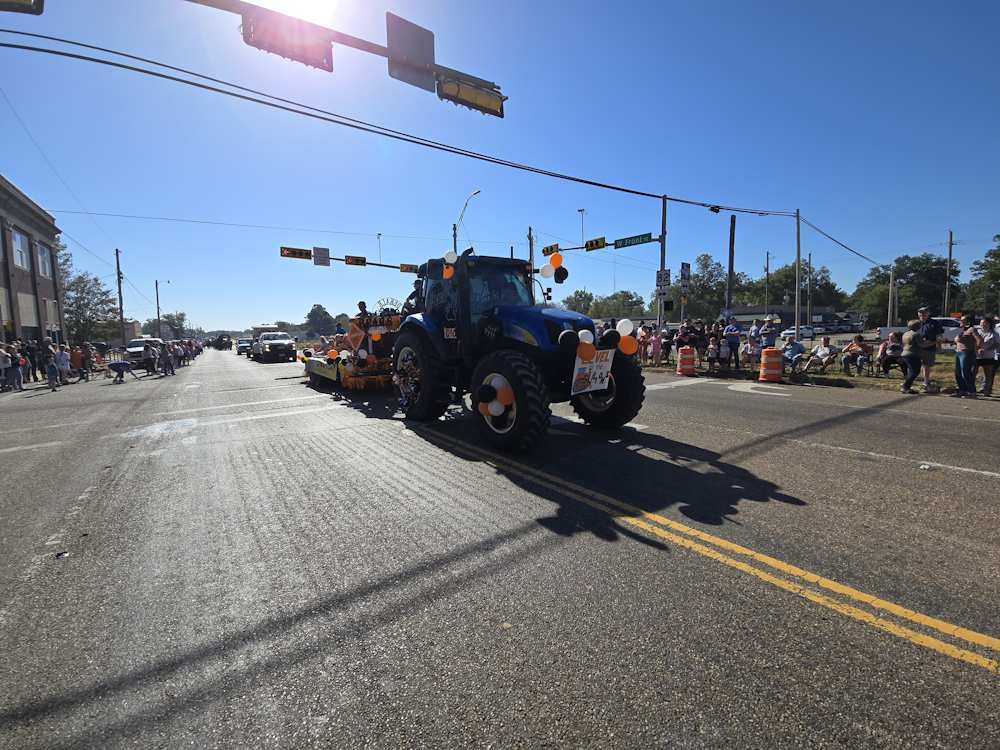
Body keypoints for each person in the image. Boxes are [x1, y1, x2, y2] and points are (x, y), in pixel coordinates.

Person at [952, 314, 983, 398]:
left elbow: (979, 339)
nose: (960, 321)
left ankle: (972, 392)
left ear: (968, 322)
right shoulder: (963, 331)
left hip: (967, 353)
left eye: (962, 320)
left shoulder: (972, 329)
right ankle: (963, 390)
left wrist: (978, 348)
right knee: (957, 373)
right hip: (958, 353)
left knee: (965, 373)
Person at [916, 306, 944, 392]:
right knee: (916, 365)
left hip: (929, 347)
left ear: (928, 313)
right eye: (920, 313)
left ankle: (926, 381)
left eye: (924, 313)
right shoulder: (916, 323)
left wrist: (939, 347)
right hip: (917, 348)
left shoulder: (934, 323)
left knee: (926, 365)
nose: (922, 314)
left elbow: (939, 336)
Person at [975, 317, 998, 396]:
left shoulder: (993, 333)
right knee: (973, 373)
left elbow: (997, 344)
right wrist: (977, 349)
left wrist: (987, 349)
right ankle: (972, 389)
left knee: (988, 375)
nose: (982, 324)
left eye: (984, 323)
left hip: (988, 356)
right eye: (981, 323)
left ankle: (986, 391)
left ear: (989, 324)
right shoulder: (977, 331)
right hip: (977, 356)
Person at [899, 320, 923, 394]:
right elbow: (921, 344)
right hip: (913, 354)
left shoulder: (905, 334)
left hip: (904, 353)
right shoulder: (916, 334)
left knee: (911, 371)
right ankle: (905, 386)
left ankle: (907, 386)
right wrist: (933, 342)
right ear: (918, 326)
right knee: (915, 371)